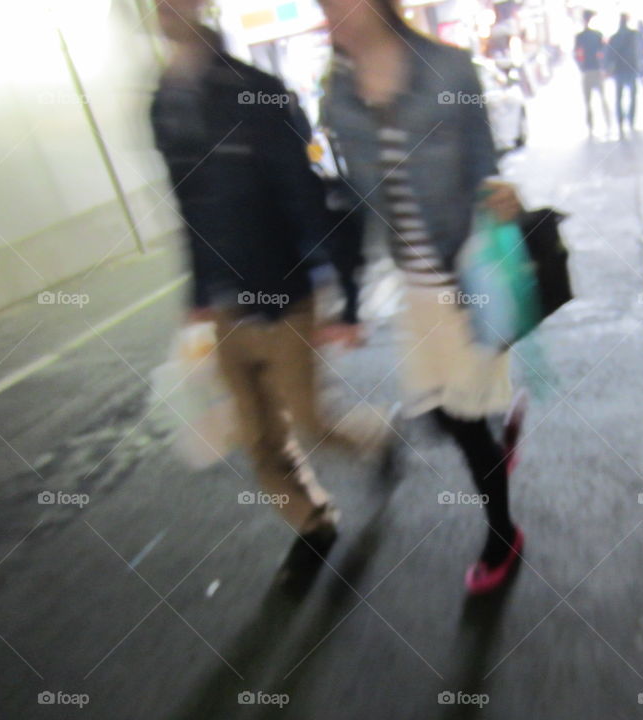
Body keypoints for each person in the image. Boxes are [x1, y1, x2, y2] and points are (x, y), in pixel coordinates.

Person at [150, 0, 391, 583]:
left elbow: (305, 195)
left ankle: (380, 442)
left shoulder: (255, 91)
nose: (167, 9)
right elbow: (186, 207)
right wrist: (197, 293)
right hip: (227, 303)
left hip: (286, 294)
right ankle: (313, 521)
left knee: (310, 420)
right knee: (259, 436)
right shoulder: (163, 103)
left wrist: (342, 295)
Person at [318, 0, 529, 594]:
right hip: (415, 284)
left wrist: (502, 196)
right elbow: (356, 205)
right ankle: (496, 426)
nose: (329, 11)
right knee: (435, 412)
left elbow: (487, 165)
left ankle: (503, 533)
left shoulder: (450, 70)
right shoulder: (338, 96)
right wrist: (352, 303)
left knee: (461, 423)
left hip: (467, 271)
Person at [574, 10, 611, 137]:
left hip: (589, 71)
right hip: (594, 70)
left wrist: (582, 67)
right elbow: (604, 53)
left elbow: (577, 54)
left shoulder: (581, 36)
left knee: (591, 101)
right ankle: (606, 124)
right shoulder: (596, 35)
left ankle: (594, 126)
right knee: (599, 100)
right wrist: (603, 68)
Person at [608, 13, 640, 139]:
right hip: (630, 68)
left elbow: (610, 55)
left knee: (619, 97)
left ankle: (620, 121)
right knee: (632, 96)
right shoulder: (633, 35)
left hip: (619, 70)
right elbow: (637, 51)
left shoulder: (614, 37)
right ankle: (630, 120)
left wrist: (608, 68)